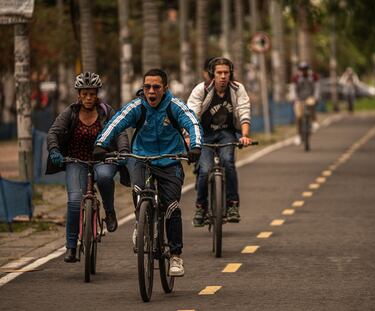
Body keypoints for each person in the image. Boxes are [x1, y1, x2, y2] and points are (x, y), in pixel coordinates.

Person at [93, 68, 203, 277]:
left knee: (171, 207)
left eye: (156, 87)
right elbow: (116, 122)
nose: (151, 91)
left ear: (165, 88)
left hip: (171, 161)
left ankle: (175, 256)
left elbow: (193, 123)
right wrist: (100, 143)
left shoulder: (175, 107)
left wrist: (196, 147)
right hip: (141, 159)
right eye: (147, 87)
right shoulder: (137, 107)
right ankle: (141, 222)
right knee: (139, 190)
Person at [46, 72, 130, 263]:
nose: (88, 98)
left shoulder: (106, 111)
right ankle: (70, 247)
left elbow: (120, 132)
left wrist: (123, 151)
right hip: (76, 161)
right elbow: (53, 133)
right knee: (75, 201)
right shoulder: (70, 112)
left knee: (105, 177)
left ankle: (109, 211)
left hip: (104, 159)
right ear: (79, 94)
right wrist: (54, 151)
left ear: (97, 93)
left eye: (92, 94)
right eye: (85, 94)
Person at [187, 57, 252, 227]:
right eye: (219, 73)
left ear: (230, 74)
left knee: (228, 162)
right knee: (204, 169)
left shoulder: (238, 89)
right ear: (212, 75)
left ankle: (232, 205)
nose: (223, 76)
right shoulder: (201, 90)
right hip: (204, 135)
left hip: (226, 133)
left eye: (226, 72)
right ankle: (201, 207)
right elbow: (191, 115)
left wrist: (244, 135)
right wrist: (189, 137)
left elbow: (244, 112)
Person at [291, 61, 320, 145]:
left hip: (310, 97)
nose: (304, 71)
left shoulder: (313, 76)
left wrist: (316, 97)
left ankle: (314, 120)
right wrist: (294, 99)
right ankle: (298, 135)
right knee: (298, 116)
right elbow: (293, 89)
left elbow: (317, 88)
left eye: (305, 69)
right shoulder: (296, 78)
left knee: (311, 104)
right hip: (299, 99)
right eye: (302, 69)